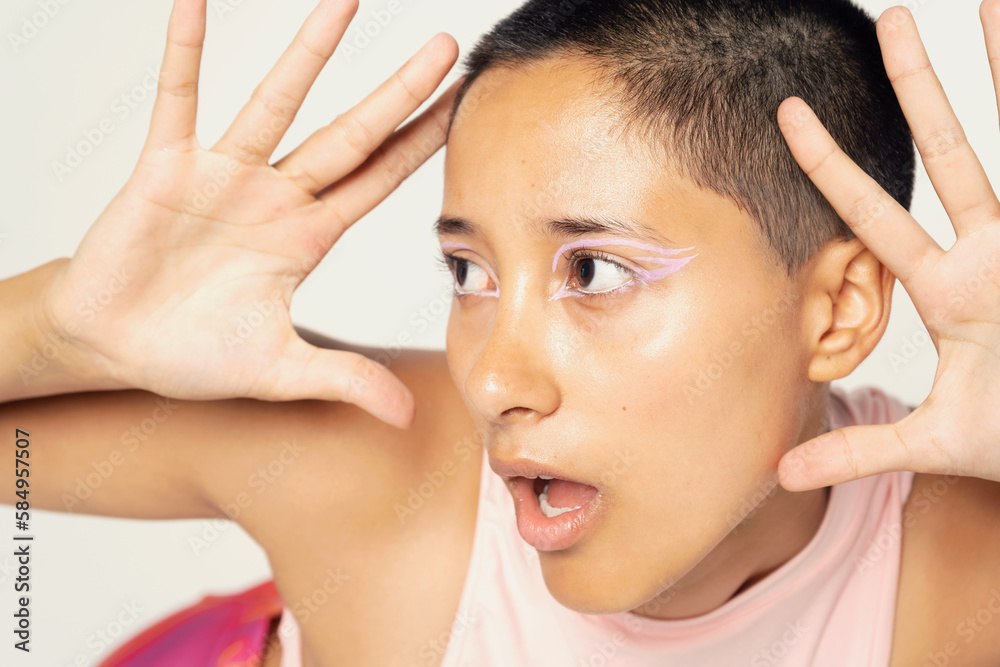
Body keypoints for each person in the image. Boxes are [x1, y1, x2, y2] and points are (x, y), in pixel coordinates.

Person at [2, 0, 1000, 664]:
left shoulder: (953, 579)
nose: (494, 377)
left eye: (592, 270)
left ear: (836, 312)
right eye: (468, 272)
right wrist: (64, 328)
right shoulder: (384, 475)